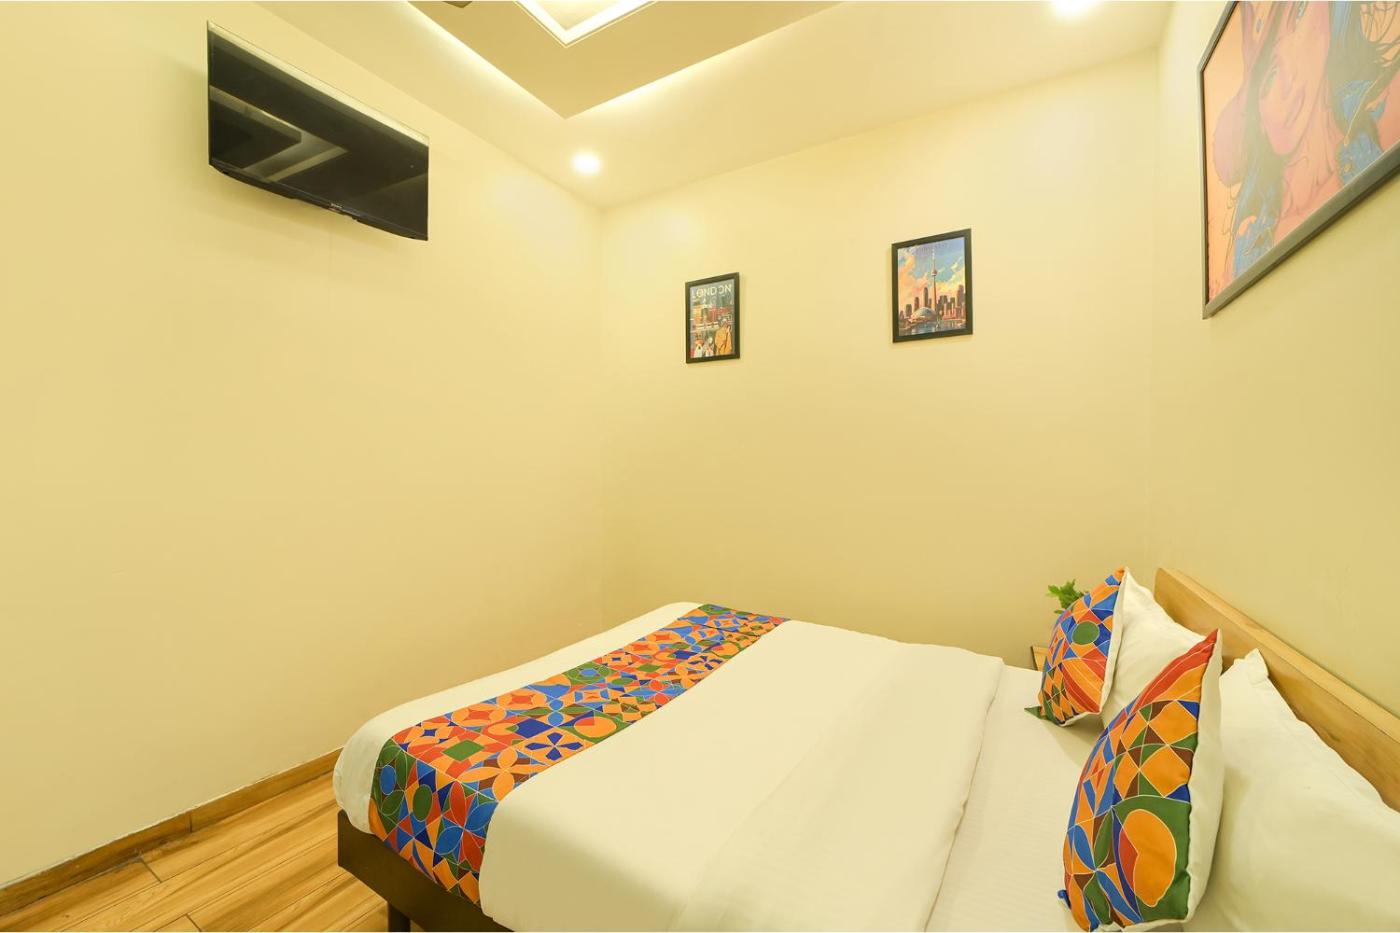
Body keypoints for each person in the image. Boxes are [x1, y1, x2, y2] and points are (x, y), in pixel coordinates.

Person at [1211, 1, 1400, 289]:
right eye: (1269, 77)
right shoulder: (1249, 244)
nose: (1289, 74)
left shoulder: (1386, 108)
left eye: (1299, 11)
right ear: (1258, 123)